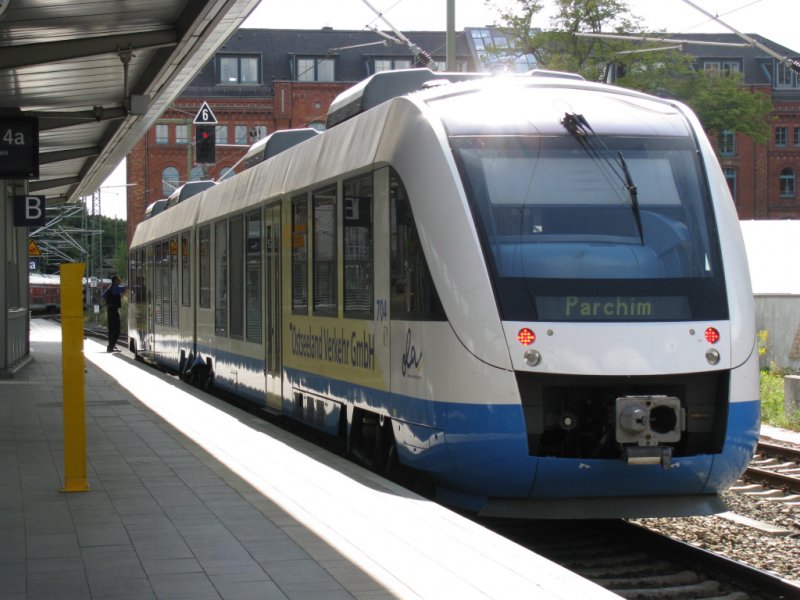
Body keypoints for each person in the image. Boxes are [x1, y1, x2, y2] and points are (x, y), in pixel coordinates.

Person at [102, 274, 126, 353]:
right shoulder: (115, 287)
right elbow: (123, 289)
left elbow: (103, 296)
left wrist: (110, 300)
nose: (120, 280)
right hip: (114, 310)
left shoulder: (110, 287)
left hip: (110, 309)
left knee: (111, 330)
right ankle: (110, 347)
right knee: (117, 330)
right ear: (115, 280)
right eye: (119, 279)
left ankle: (112, 346)